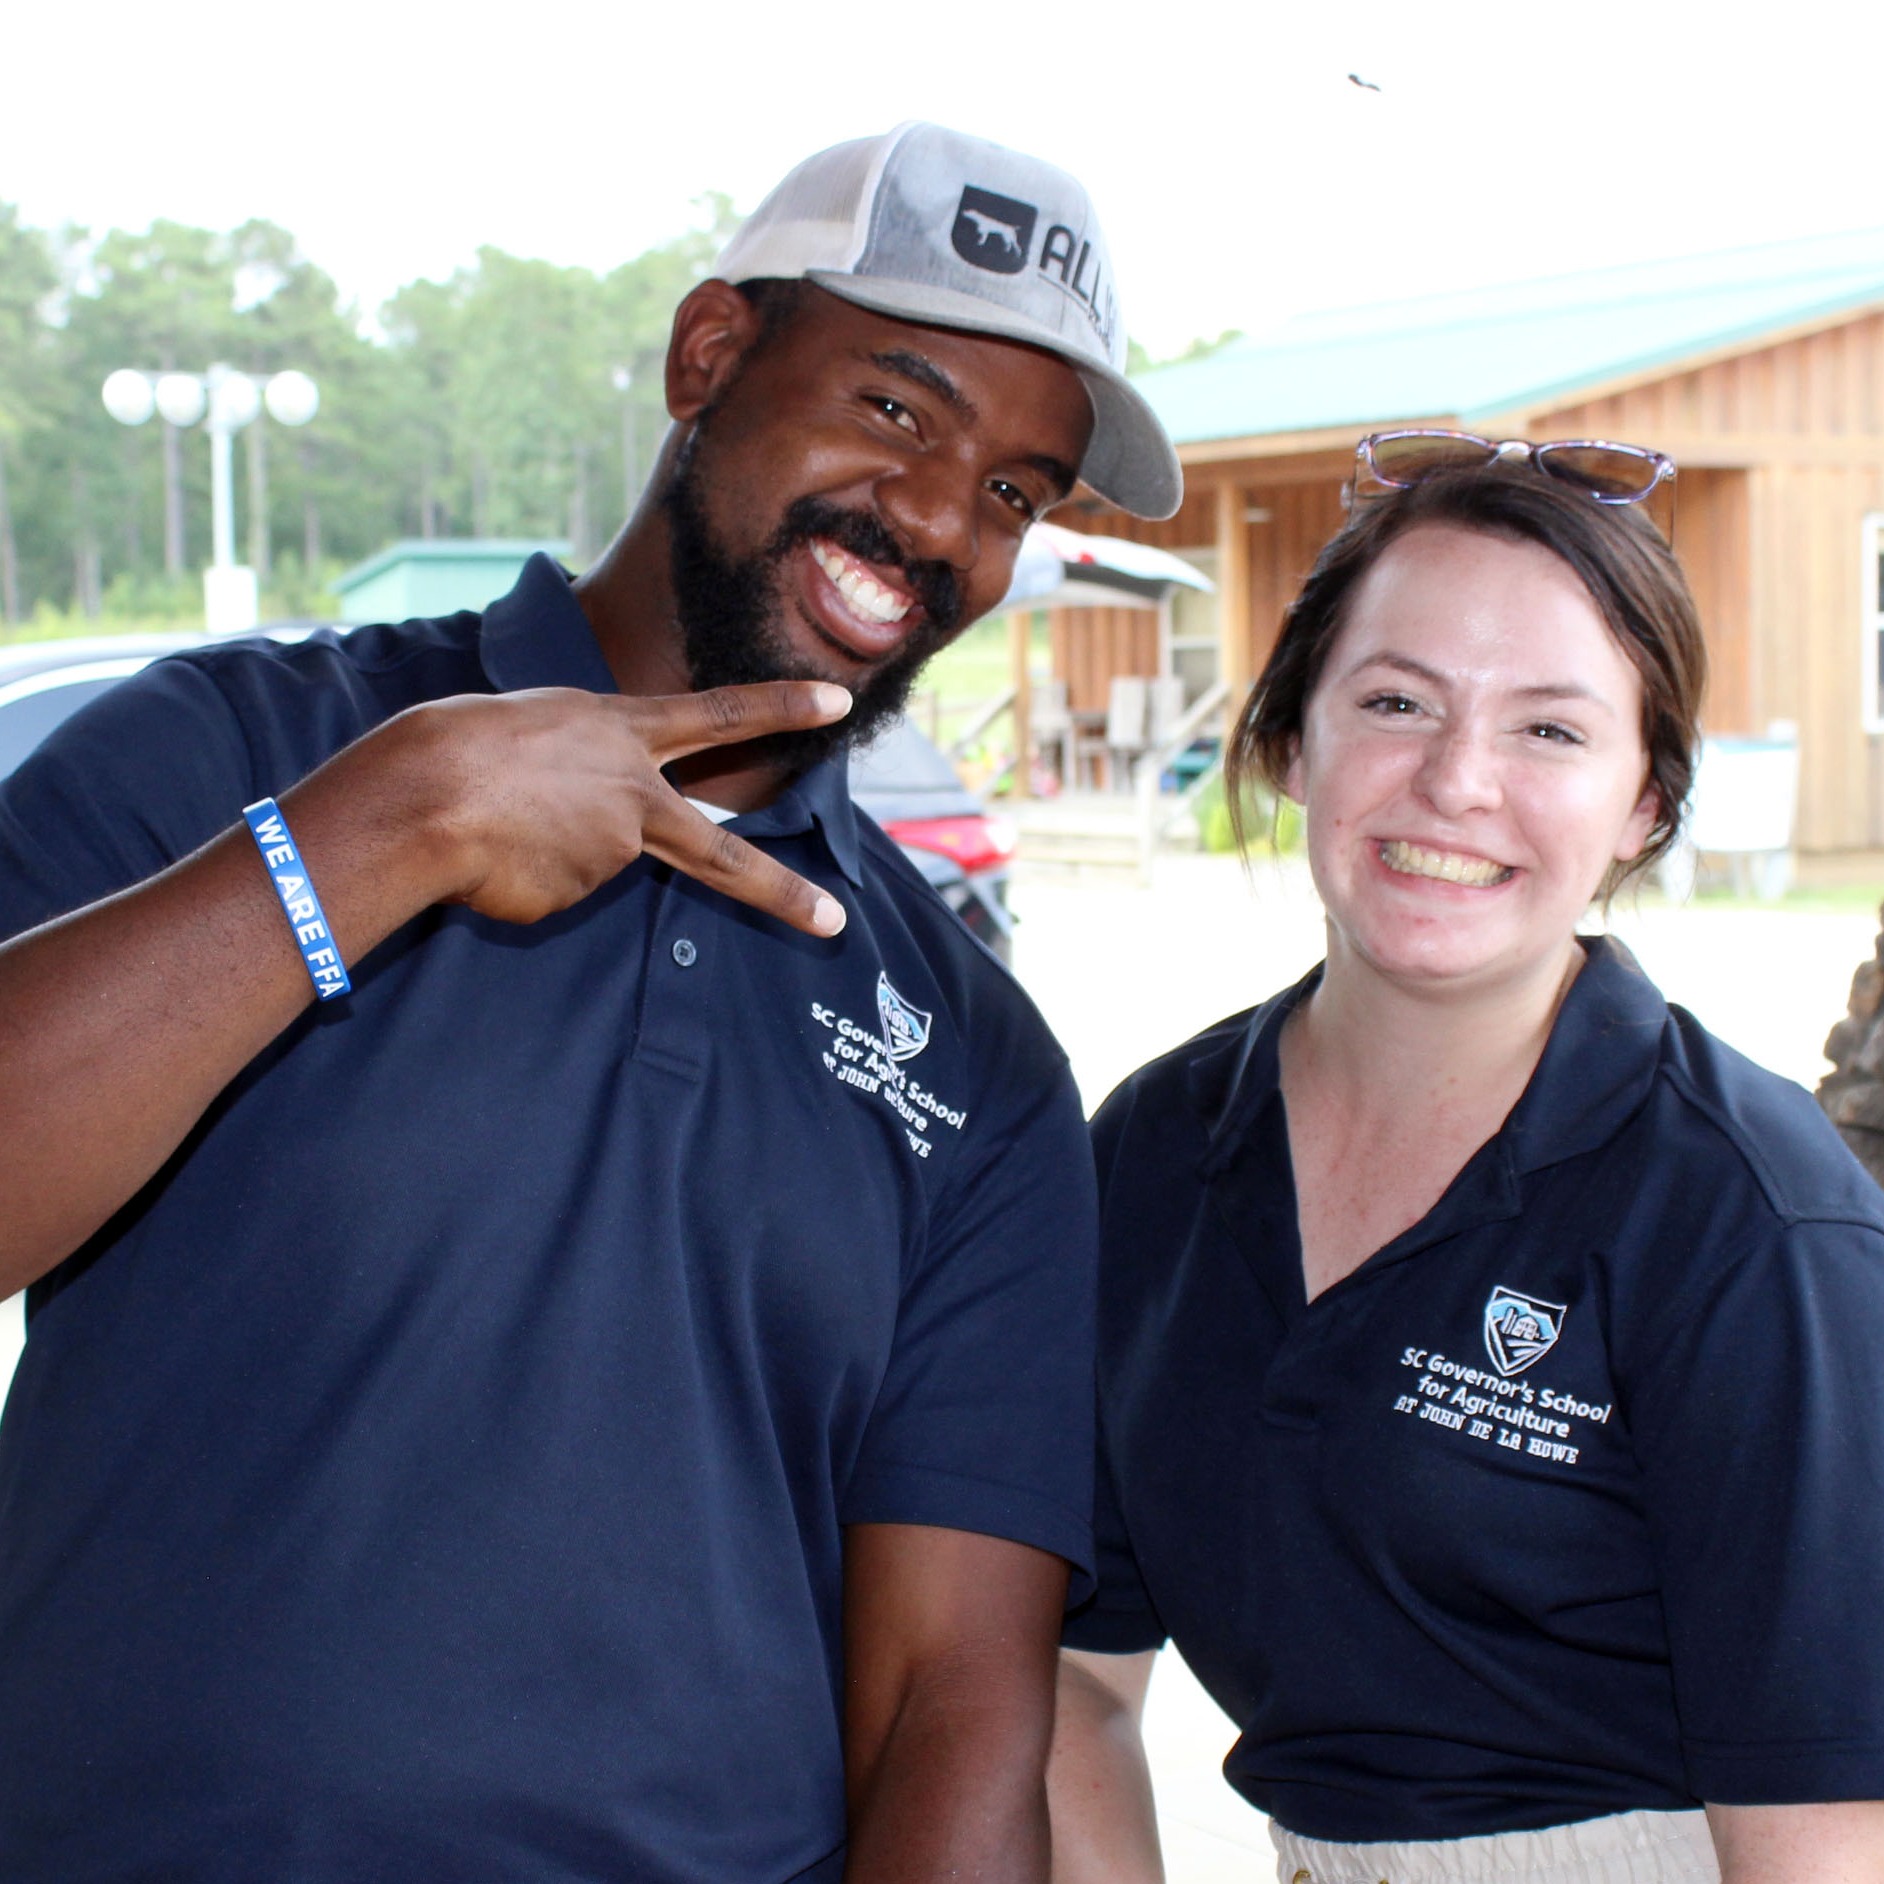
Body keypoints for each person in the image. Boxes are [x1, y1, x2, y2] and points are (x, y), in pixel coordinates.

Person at [0, 123, 1181, 1882]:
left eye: (1014, 489)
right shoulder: (229, 754)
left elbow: (952, 1697)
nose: (940, 519)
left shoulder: (977, 1059)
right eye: (898, 409)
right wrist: (376, 836)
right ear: (709, 354)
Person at [1046, 437, 1884, 1884]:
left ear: (1644, 804)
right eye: (1394, 702)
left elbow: (1826, 1838)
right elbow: (1070, 1676)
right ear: (1291, 742)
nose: (1455, 782)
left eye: (1551, 731)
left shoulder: (1752, 1221)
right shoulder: (1156, 1155)